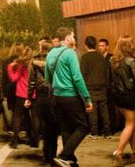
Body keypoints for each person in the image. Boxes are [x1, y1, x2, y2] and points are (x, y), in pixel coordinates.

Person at [47, 28, 93, 167]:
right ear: (67, 38)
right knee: (84, 126)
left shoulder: (50, 53)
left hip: (56, 96)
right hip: (70, 95)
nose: (74, 38)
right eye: (72, 36)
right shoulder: (70, 53)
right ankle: (64, 155)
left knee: (66, 128)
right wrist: (87, 98)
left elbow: (47, 76)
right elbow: (77, 78)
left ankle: (70, 160)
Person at [109, 35, 135, 166]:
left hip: (118, 95)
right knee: (130, 124)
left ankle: (134, 150)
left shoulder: (113, 60)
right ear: (129, 45)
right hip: (130, 95)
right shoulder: (131, 60)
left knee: (131, 125)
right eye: (132, 43)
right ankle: (118, 151)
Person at [78, 35, 111, 140]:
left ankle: (94, 132)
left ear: (86, 45)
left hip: (90, 87)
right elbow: (106, 72)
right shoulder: (100, 56)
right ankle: (107, 132)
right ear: (96, 45)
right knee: (104, 110)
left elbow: (82, 74)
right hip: (102, 86)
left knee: (93, 110)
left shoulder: (85, 57)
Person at [5, 45, 33, 147]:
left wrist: (10, 67)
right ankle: (33, 139)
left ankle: (15, 140)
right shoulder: (32, 64)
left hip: (21, 94)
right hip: (32, 94)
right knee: (29, 116)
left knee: (17, 116)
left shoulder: (21, 66)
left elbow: (13, 78)